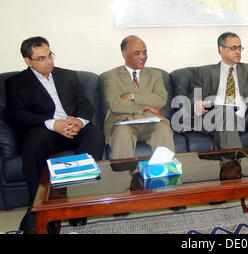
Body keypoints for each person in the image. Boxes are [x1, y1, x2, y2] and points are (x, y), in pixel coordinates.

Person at [5, 36, 105, 233]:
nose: (48, 61)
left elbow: (85, 104)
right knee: (32, 144)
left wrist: (79, 121)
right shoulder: (16, 83)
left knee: (95, 136)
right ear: (28, 61)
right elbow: (15, 114)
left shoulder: (68, 75)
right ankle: (38, 208)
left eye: (49, 55)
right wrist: (53, 124)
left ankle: (78, 203)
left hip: (73, 125)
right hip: (45, 130)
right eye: (41, 58)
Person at [103, 35, 175, 159]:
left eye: (144, 52)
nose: (143, 57)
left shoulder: (156, 75)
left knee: (163, 129)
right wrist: (145, 107)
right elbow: (115, 104)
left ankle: (167, 173)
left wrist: (132, 96)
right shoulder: (111, 76)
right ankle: (125, 176)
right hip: (124, 122)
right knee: (122, 134)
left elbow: (160, 100)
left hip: (152, 122)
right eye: (137, 53)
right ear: (124, 53)